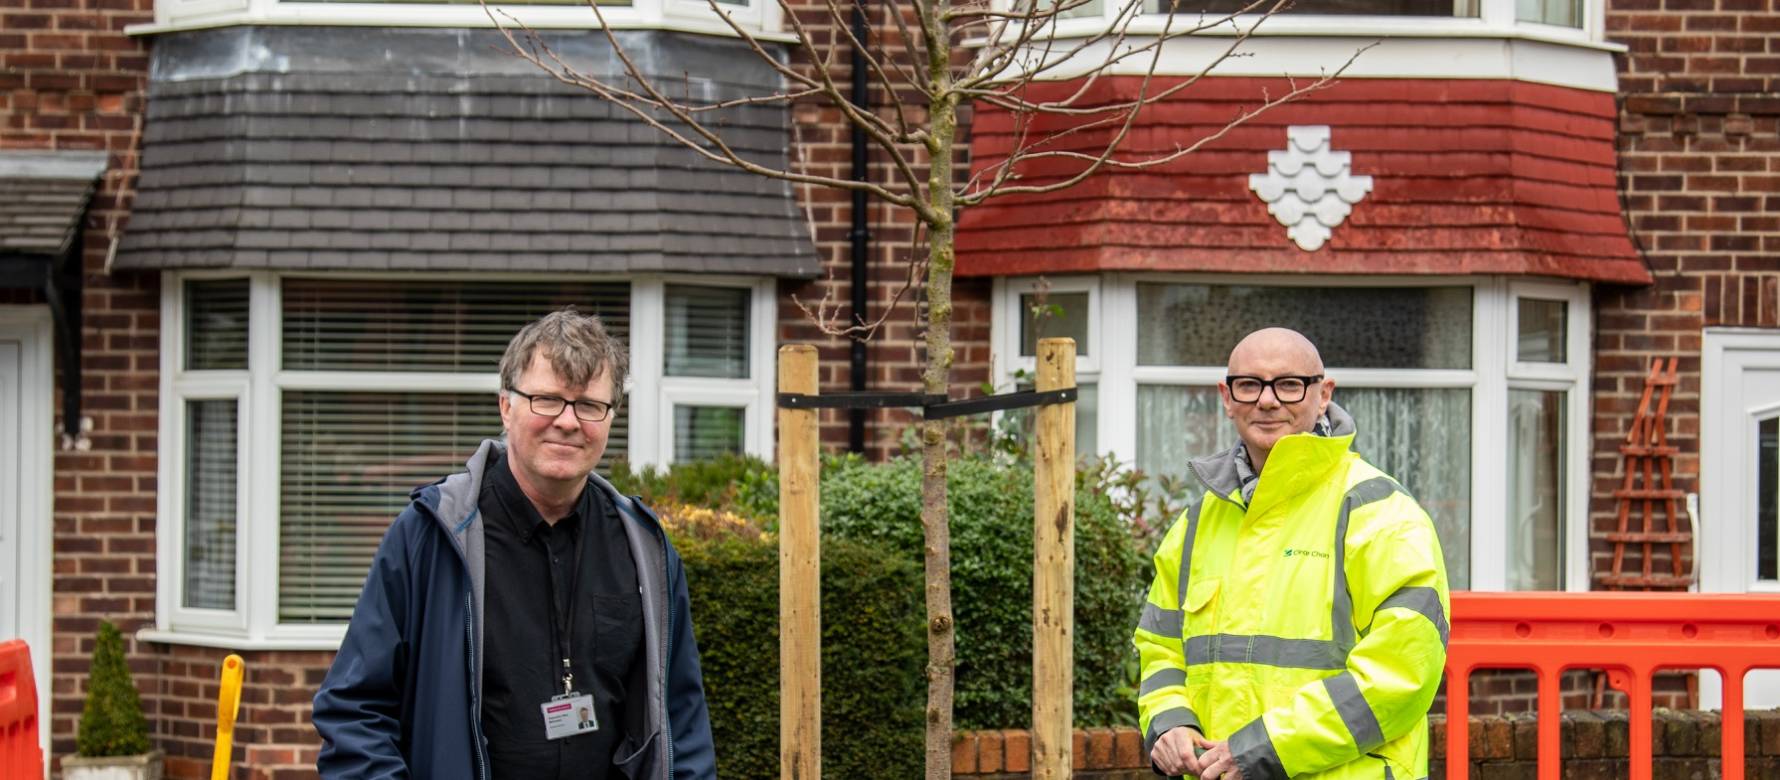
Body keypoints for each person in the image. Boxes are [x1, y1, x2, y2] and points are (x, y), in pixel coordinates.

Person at [314, 308, 716, 780]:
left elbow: (680, 724)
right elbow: (354, 711)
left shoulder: (644, 549)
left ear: (611, 417)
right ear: (506, 405)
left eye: (589, 405)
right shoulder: (431, 536)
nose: (568, 422)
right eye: (547, 399)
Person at [1133, 328, 1449, 780]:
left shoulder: (1381, 514)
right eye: (1250, 385)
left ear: (1324, 395)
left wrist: (1264, 748)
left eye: (1289, 384)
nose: (1267, 401)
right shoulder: (1196, 525)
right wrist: (1169, 722)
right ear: (1227, 397)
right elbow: (1160, 649)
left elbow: (1402, 674)